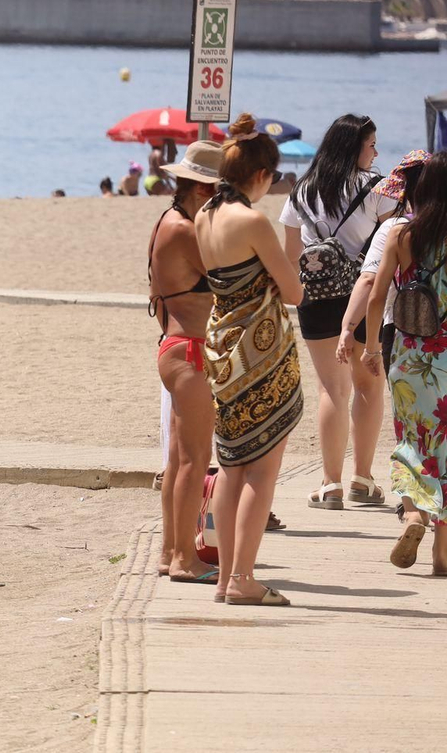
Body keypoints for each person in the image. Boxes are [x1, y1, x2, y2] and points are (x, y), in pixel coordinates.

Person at [195, 113, 303, 606]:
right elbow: (294, 292)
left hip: (221, 346)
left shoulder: (205, 216)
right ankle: (243, 579)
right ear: (260, 175)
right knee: (262, 470)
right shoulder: (252, 220)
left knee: (232, 464)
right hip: (260, 355)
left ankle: (223, 579)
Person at [279, 114, 387, 511]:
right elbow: (388, 250)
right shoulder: (378, 190)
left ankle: (330, 484)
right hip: (365, 297)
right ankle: (362, 478)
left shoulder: (302, 191)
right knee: (368, 384)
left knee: (331, 389)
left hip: (317, 297)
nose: (376, 152)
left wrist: (297, 298)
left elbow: (292, 257)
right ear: (353, 147)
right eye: (371, 144)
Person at [362, 152, 447, 574]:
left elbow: (378, 299)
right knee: (446, 449)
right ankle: (442, 554)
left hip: (411, 357)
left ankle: (413, 514)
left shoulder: (400, 234)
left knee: (412, 442)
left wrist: (372, 349)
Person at [147, 141, 223, 584]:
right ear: (203, 190)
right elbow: (226, 276)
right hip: (191, 349)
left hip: (175, 345)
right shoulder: (187, 230)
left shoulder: (166, 220)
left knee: (179, 460)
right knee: (196, 459)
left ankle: (169, 550)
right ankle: (184, 561)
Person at [338, 150, 429, 378]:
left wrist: (364, 343)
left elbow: (370, 283)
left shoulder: (395, 230)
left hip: (404, 331)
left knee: (412, 412)